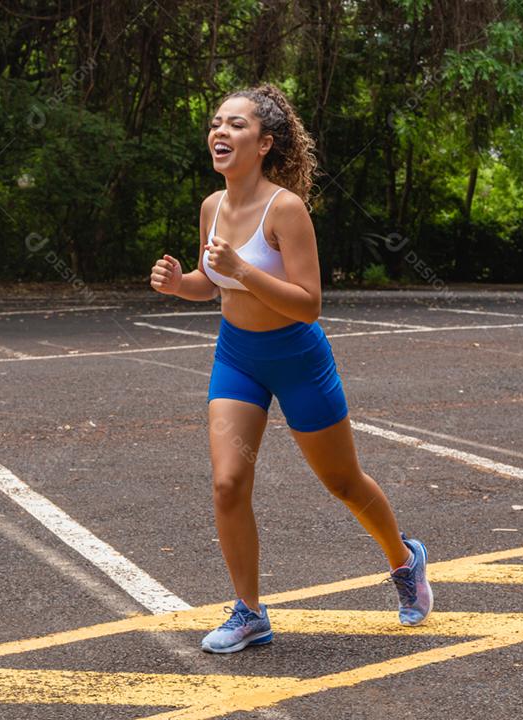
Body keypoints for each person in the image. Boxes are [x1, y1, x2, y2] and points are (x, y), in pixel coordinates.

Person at [149, 83, 432, 654]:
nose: (220, 131)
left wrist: (243, 271)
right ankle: (249, 613)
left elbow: (307, 302)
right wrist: (183, 285)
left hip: (298, 359)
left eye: (236, 124)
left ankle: (404, 559)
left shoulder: (286, 209)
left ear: (265, 142)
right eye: (215, 123)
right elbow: (214, 282)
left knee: (343, 483)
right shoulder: (213, 207)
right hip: (239, 358)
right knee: (228, 482)